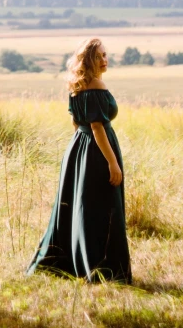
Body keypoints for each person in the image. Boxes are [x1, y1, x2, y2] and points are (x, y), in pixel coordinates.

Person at [26, 37, 132, 283]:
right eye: (99, 56)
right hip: (97, 152)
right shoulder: (96, 86)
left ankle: (73, 264)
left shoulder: (76, 85)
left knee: (78, 207)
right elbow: (97, 127)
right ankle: (102, 269)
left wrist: (79, 154)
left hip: (78, 149)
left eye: (106, 55)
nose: (105, 60)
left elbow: (76, 123)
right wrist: (112, 162)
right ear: (89, 61)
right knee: (102, 208)